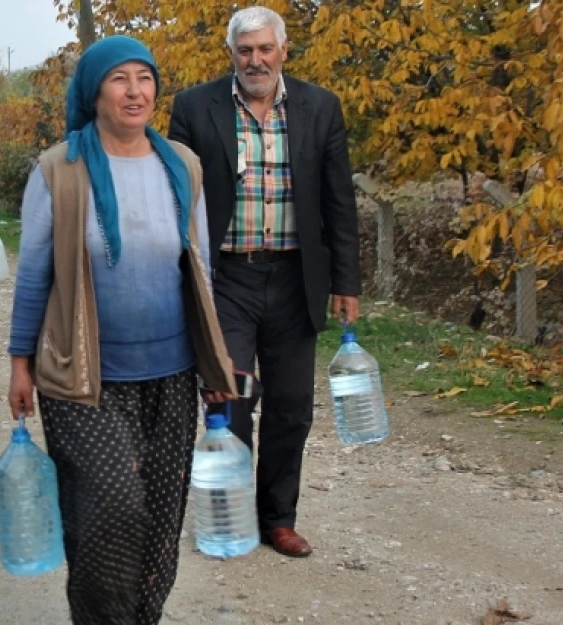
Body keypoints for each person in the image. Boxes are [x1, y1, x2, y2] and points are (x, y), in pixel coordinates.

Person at [8, 37, 237, 625]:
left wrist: (214, 363)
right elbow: (34, 274)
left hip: (172, 370)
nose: (136, 92)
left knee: (160, 517)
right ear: (93, 92)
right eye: (119, 79)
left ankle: (141, 617)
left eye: (145, 78)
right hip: (84, 376)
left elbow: (200, 269)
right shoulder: (61, 168)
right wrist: (19, 362)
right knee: (109, 509)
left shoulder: (181, 164)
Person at [168, 6, 361, 558]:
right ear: (232, 54)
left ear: (283, 51)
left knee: (293, 404)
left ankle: (278, 517)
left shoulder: (319, 107)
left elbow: (337, 201)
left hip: (296, 277)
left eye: (264, 49)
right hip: (227, 278)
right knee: (230, 397)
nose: (255, 60)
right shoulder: (194, 108)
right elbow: (178, 200)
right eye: (245, 50)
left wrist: (345, 281)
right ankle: (229, 513)